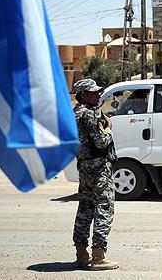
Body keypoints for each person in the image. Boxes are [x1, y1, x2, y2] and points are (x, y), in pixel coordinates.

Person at [72, 79, 119, 271]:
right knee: (104, 207)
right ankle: (98, 256)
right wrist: (108, 128)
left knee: (85, 208)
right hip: (99, 166)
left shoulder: (74, 114)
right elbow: (100, 142)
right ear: (83, 95)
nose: (98, 95)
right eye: (94, 92)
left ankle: (81, 254)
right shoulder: (89, 115)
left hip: (84, 166)